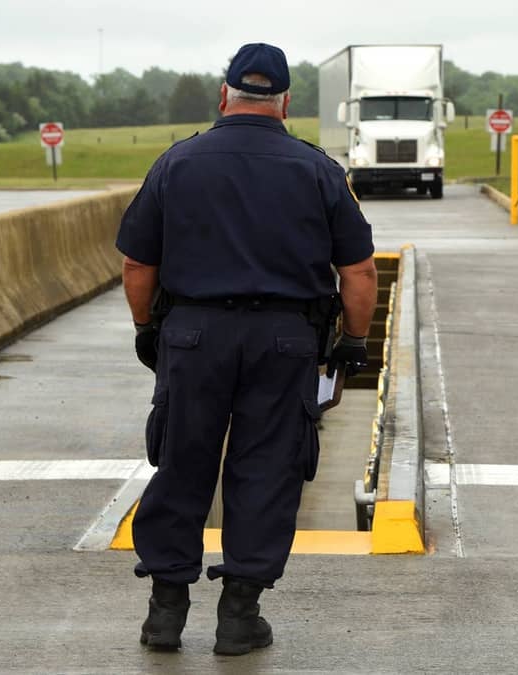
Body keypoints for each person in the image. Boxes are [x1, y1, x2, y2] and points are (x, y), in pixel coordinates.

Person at [115, 42, 378, 656]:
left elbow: (137, 263)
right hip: (284, 342)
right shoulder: (318, 170)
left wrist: (147, 330)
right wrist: (354, 343)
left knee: (182, 461)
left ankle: (166, 612)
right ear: (285, 102)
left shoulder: (176, 163)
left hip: (194, 334)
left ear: (222, 95)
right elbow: (359, 271)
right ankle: (239, 616)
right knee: (266, 467)